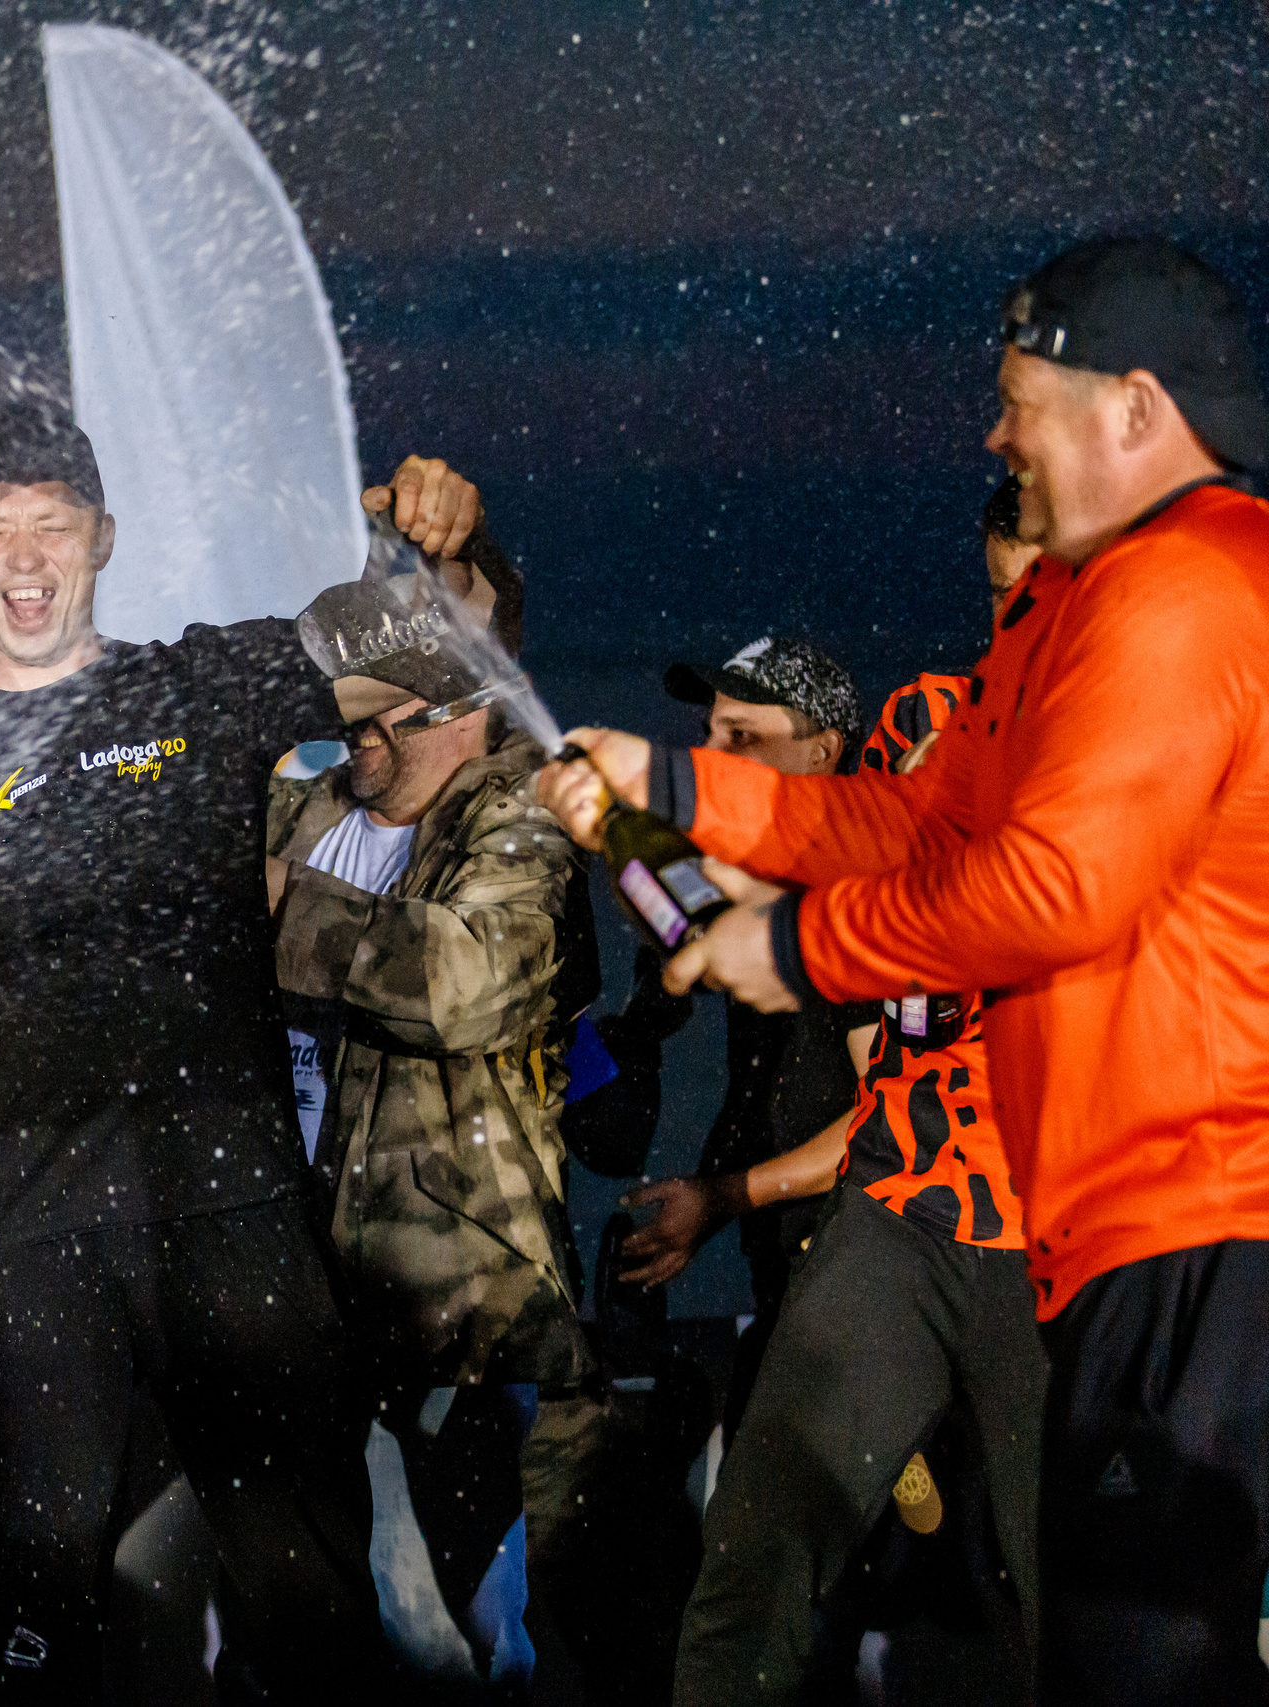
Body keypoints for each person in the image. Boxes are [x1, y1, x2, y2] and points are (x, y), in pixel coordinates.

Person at [539, 236, 1269, 1703]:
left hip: (1211, 1214)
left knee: (1132, 1651)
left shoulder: (1192, 585)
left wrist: (796, 947)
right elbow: (908, 814)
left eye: (1022, 403)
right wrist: (675, 791)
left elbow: (1050, 889)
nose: (994, 439)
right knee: (1091, 1642)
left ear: (1136, 410)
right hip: (1091, 1227)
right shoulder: (1061, 620)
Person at [0, 400, 484, 1699]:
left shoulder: (201, 680)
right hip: (23, 1247)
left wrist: (441, 554)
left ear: (101, 539)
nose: (25, 553)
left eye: (52, 522)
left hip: (235, 1221)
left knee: (312, 1601)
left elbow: (431, 654)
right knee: (41, 1627)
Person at [671, 639, 1045, 1704]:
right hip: (885, 1223)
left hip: (1046, 1228)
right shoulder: (919, 728)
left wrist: (725, 1196)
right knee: (758, 1563)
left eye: (743, 736)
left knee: (1053, 1587)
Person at [264, 609, 597, 1694]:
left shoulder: (524, 815)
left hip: (462, 1300)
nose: (355, 737)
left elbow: (466, 985)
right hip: (299, 1281)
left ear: (463, 714)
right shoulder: (312, 807)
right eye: (343, 712)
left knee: (495, 1610)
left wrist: (287, 911)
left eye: (381, 717)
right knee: (317, 1607)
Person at [584, 636, 874, 1436]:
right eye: (711, 732)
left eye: (742, 735)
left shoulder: (852, 897)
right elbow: (766, 1085)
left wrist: (723, 1195)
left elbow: (888, 1121)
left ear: (822, 751)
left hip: (874, 1291)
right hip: (791, 1274)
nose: (711, 753)